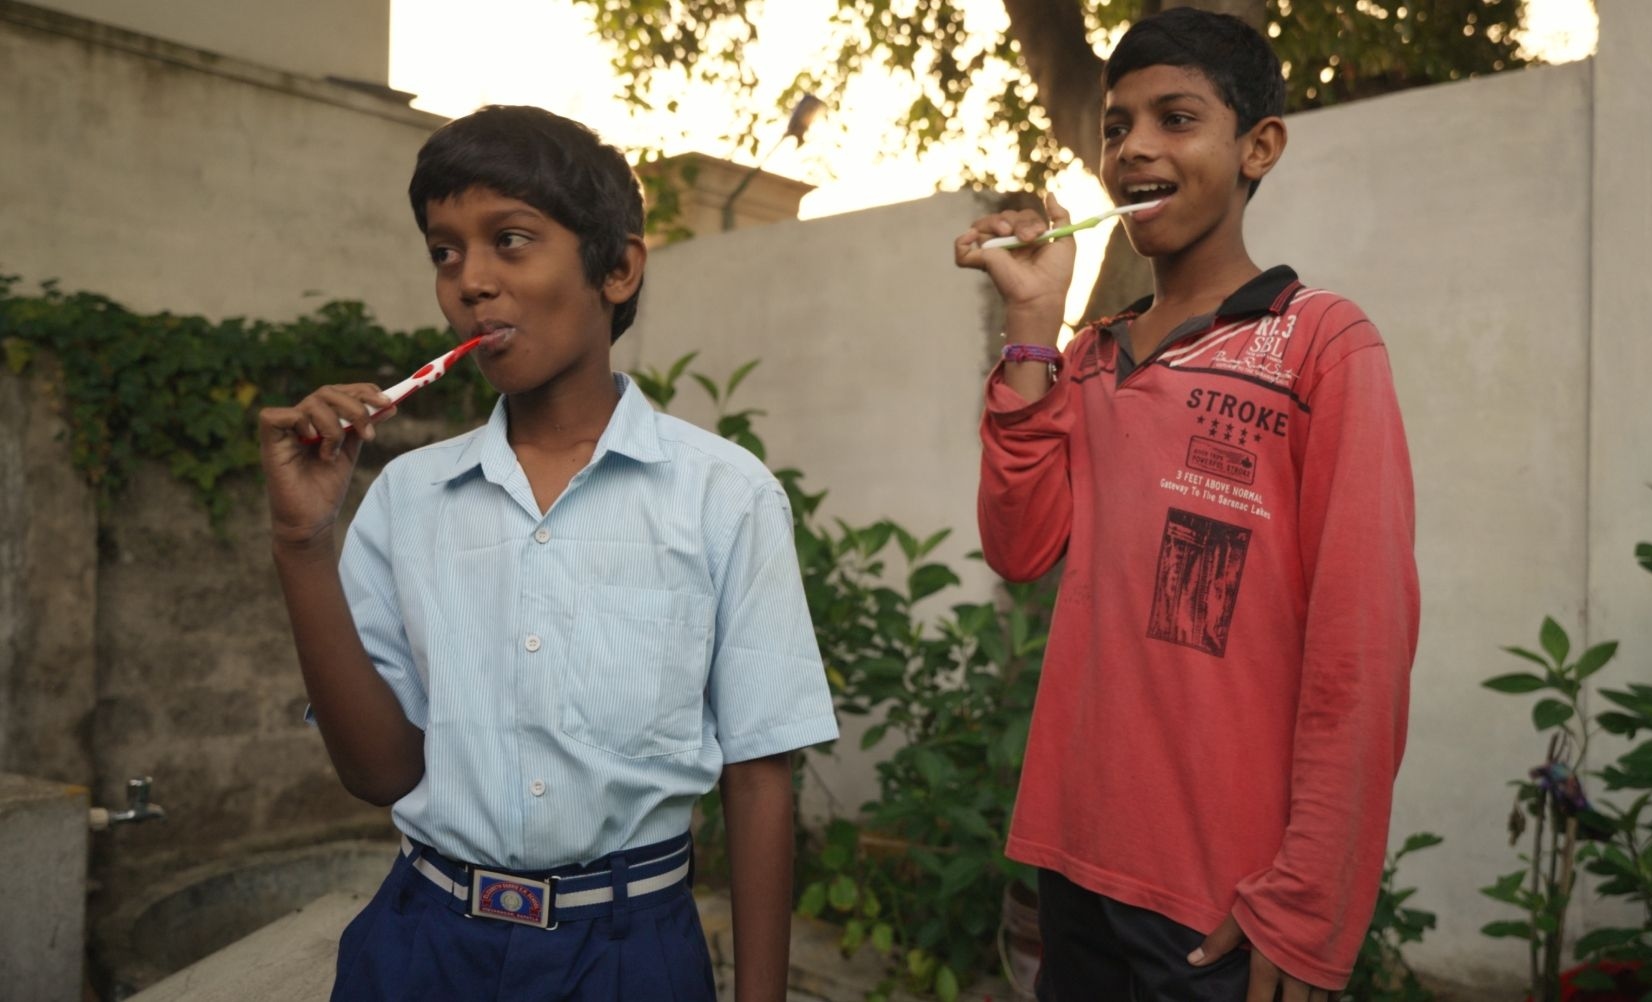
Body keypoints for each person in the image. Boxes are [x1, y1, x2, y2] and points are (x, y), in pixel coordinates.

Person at [257, 105, 838, 1002]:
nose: (470, 283)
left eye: (511, 240)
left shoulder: (724, 495)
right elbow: (378, 774)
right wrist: (303, 545)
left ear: (616, 267)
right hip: (422, 943)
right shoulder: (408, 497)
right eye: (444, 252)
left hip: (629, 954)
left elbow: (759, 775)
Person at [954, 8, 1419, 1001]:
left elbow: (1361, 647)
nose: (1136, 150)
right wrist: (1033, 322)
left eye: (1176, 118)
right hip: (1070, 865)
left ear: (1259, 146)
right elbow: (1020, 545)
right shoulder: (1089, 358)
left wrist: (1308, 905)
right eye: (1118, 126)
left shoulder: (1318, 346)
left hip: (1222, 904)